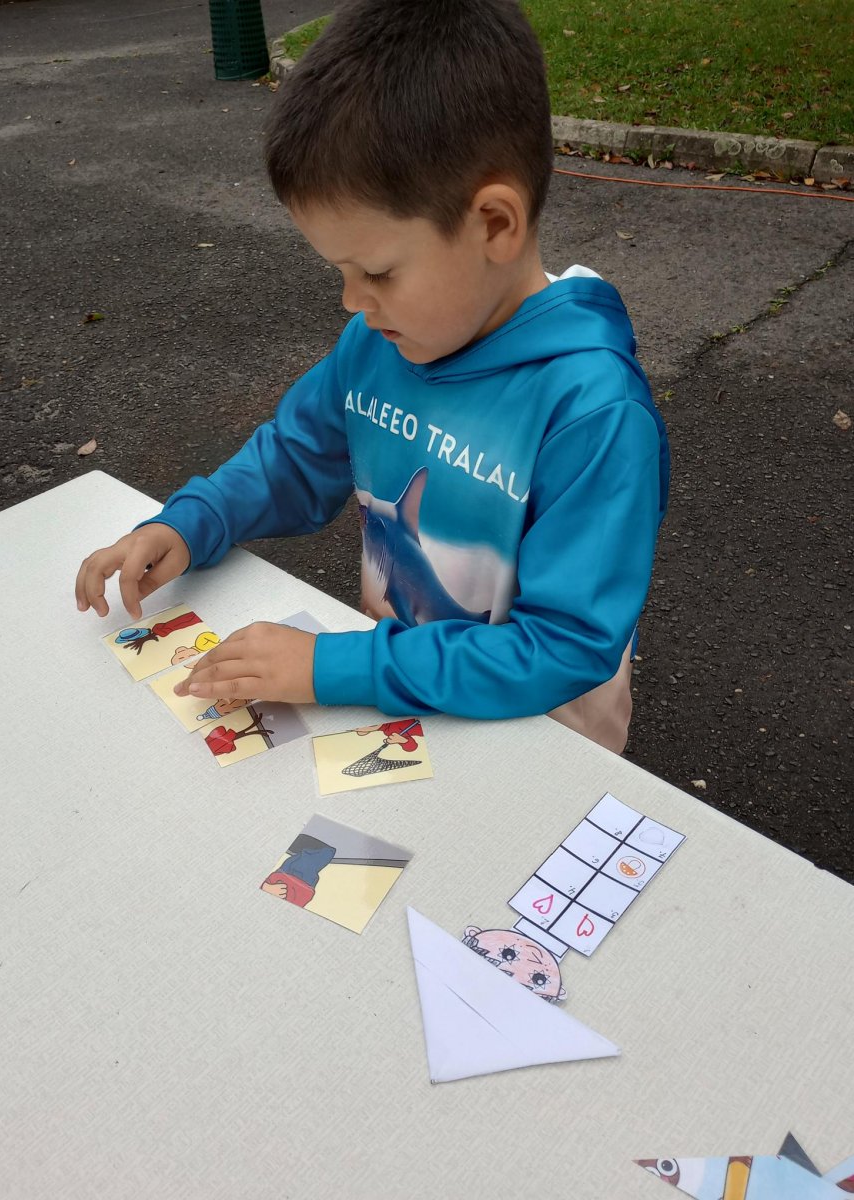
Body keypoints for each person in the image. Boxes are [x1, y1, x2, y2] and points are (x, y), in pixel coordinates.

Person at [75, 0, 669, 753]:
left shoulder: (594, 413)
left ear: (493, 224)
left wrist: (333, 666)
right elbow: (293, 460)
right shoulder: (379, 342)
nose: (352, 302)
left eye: (378, 272)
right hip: (399, 706)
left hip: (541, 745)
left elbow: (562, 647)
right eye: (342, 272)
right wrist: (190, 523)